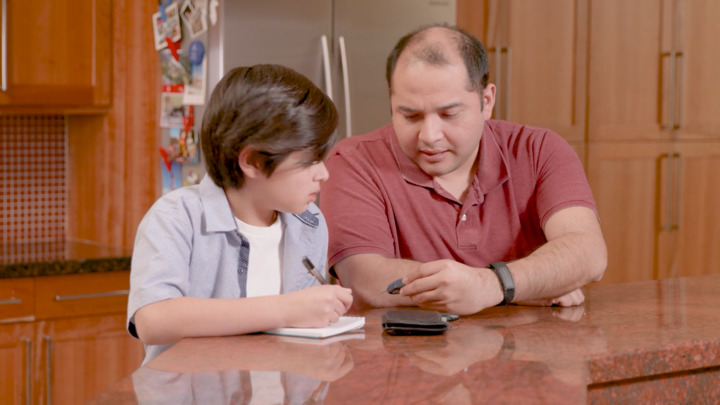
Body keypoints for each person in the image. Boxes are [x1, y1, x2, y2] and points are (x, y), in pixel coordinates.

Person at [319, 25, 607, 315]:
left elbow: (588, 251)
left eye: (449, 114)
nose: (429, 136)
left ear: (486, 101)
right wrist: (521, 285)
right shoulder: (353, 161)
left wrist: (492, 286)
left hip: (525, 342)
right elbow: (365, 280)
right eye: (410, 116)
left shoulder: (539, 150)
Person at [127, 64, 353, 364]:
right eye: (309, 161)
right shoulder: (177, 217)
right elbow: (152, 320)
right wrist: (286, 309)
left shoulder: (309, 222)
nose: (323, 173)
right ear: (254, 162)